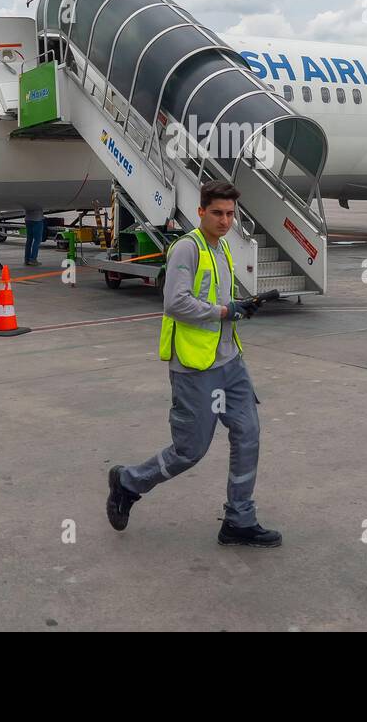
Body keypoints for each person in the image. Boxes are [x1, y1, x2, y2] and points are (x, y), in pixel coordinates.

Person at [105, 180, 279, 546]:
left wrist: (240, 308)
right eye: (217, 213)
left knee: (248, 434)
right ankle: (128, 482)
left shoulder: (222, 249)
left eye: (230, 214)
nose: (225, 220)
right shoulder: (187, 248)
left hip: (230, 362)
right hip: (196, 366)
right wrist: (223, 310)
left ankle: (239, 519)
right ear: (200, 211)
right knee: (190, 451)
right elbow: (175, 303)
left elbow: (219, 299)